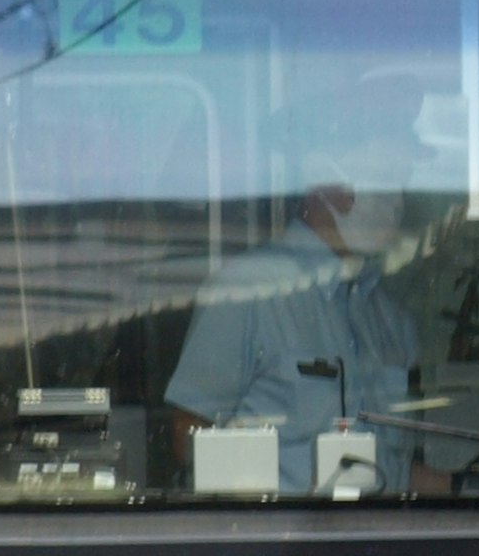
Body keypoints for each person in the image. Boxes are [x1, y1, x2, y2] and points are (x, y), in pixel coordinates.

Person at [164, 183, 429, 497]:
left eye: (401, 177)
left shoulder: (391, 319)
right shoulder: (246, 291)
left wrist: (466, 486)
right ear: (323, 183)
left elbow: (392, 470)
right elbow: (188, 438)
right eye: (379, 175)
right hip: (276, 538)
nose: (394, 200)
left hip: (385, 537)